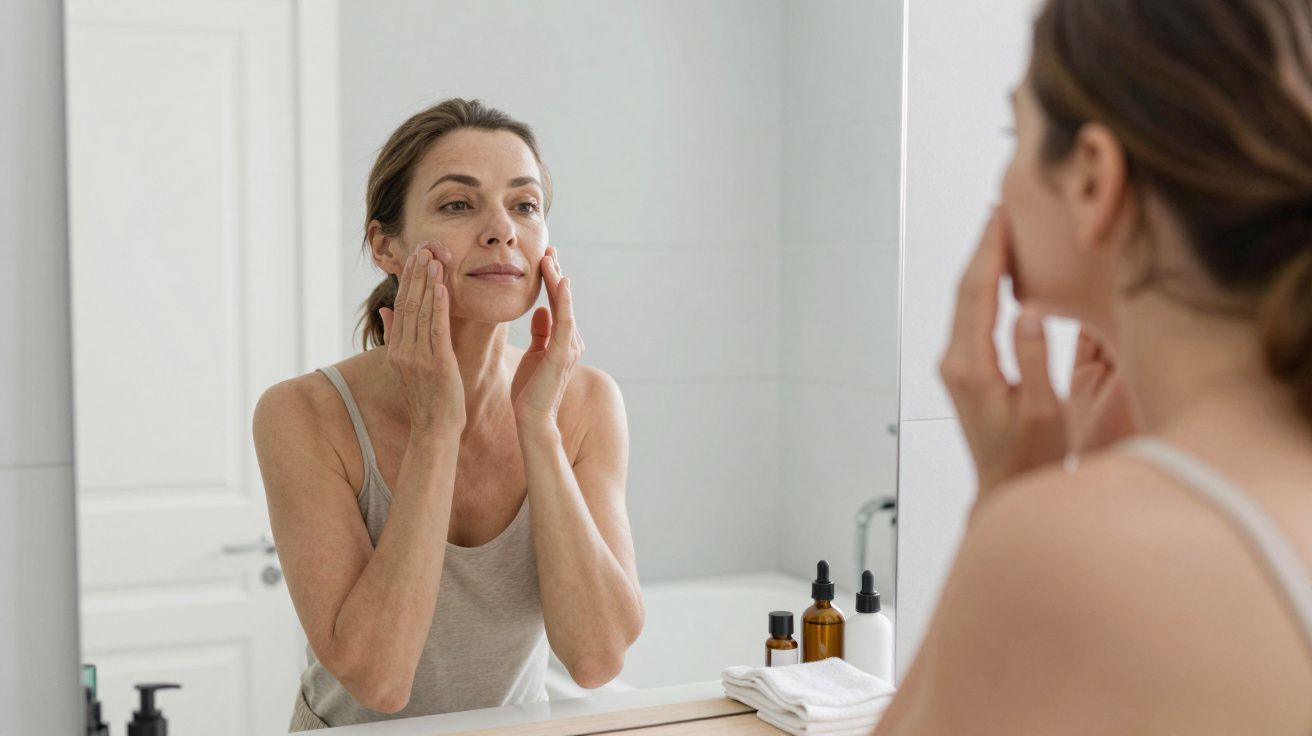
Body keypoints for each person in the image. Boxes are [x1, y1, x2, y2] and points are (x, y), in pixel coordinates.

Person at [876, 0, 1312, 732]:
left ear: (1091, 178)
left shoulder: (1065, 555)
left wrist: (1006, 505)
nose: (1002, 184)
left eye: (1016, 133)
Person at [252, 99, 643, 729]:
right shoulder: (303, 415)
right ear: (385, 245)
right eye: (459, 205)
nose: (502, 230)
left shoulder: (585, 403)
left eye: (524, 204)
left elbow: (597, 660)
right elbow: (378, 680)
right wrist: (437, 431)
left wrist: (538, 430)